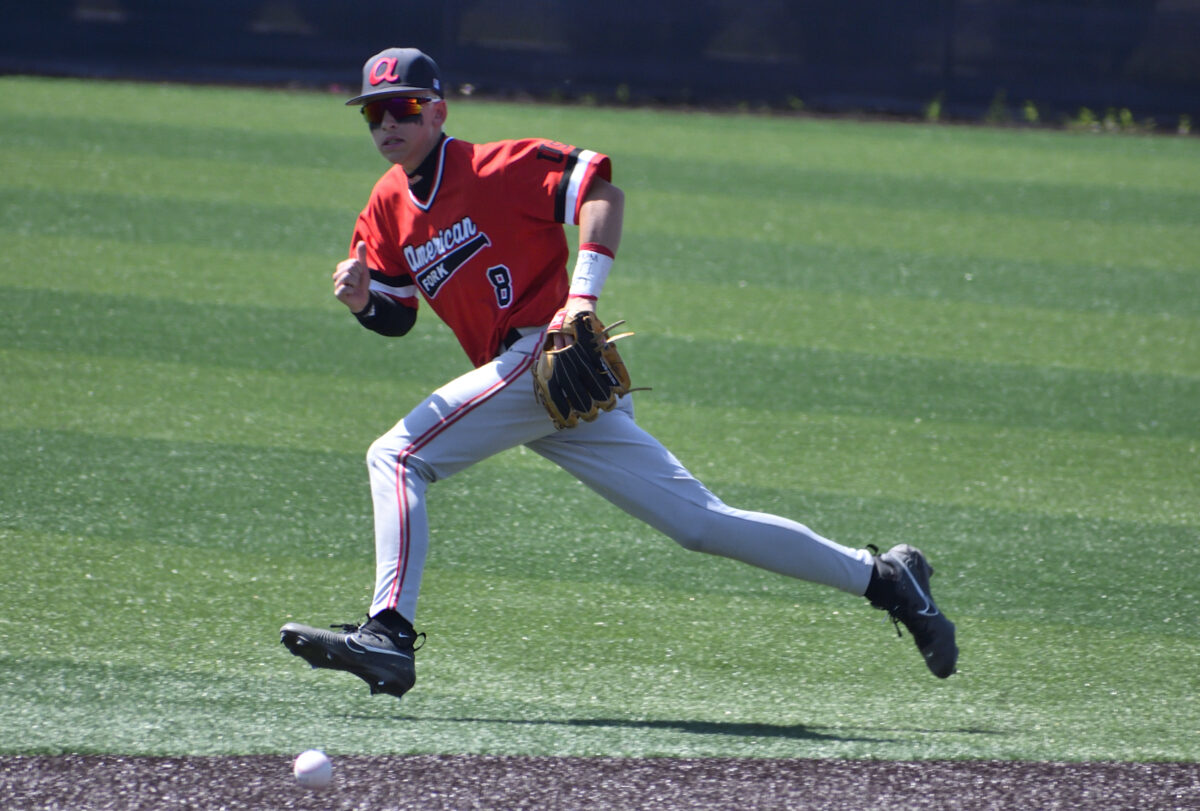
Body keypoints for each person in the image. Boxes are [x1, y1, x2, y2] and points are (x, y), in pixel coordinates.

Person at [280, 47, 958, 699]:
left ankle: (388, 632)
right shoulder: (386, 206)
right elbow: (397, 315)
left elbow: (602, 193)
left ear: (439, 111)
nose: (388, 124)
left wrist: (580, 299)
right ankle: (887, 578)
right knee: (699, 523)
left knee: (397, 456)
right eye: (374, 113)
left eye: (403, 107)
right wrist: (364, 299)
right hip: (533, 384)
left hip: (544, 354)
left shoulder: (500, 165)